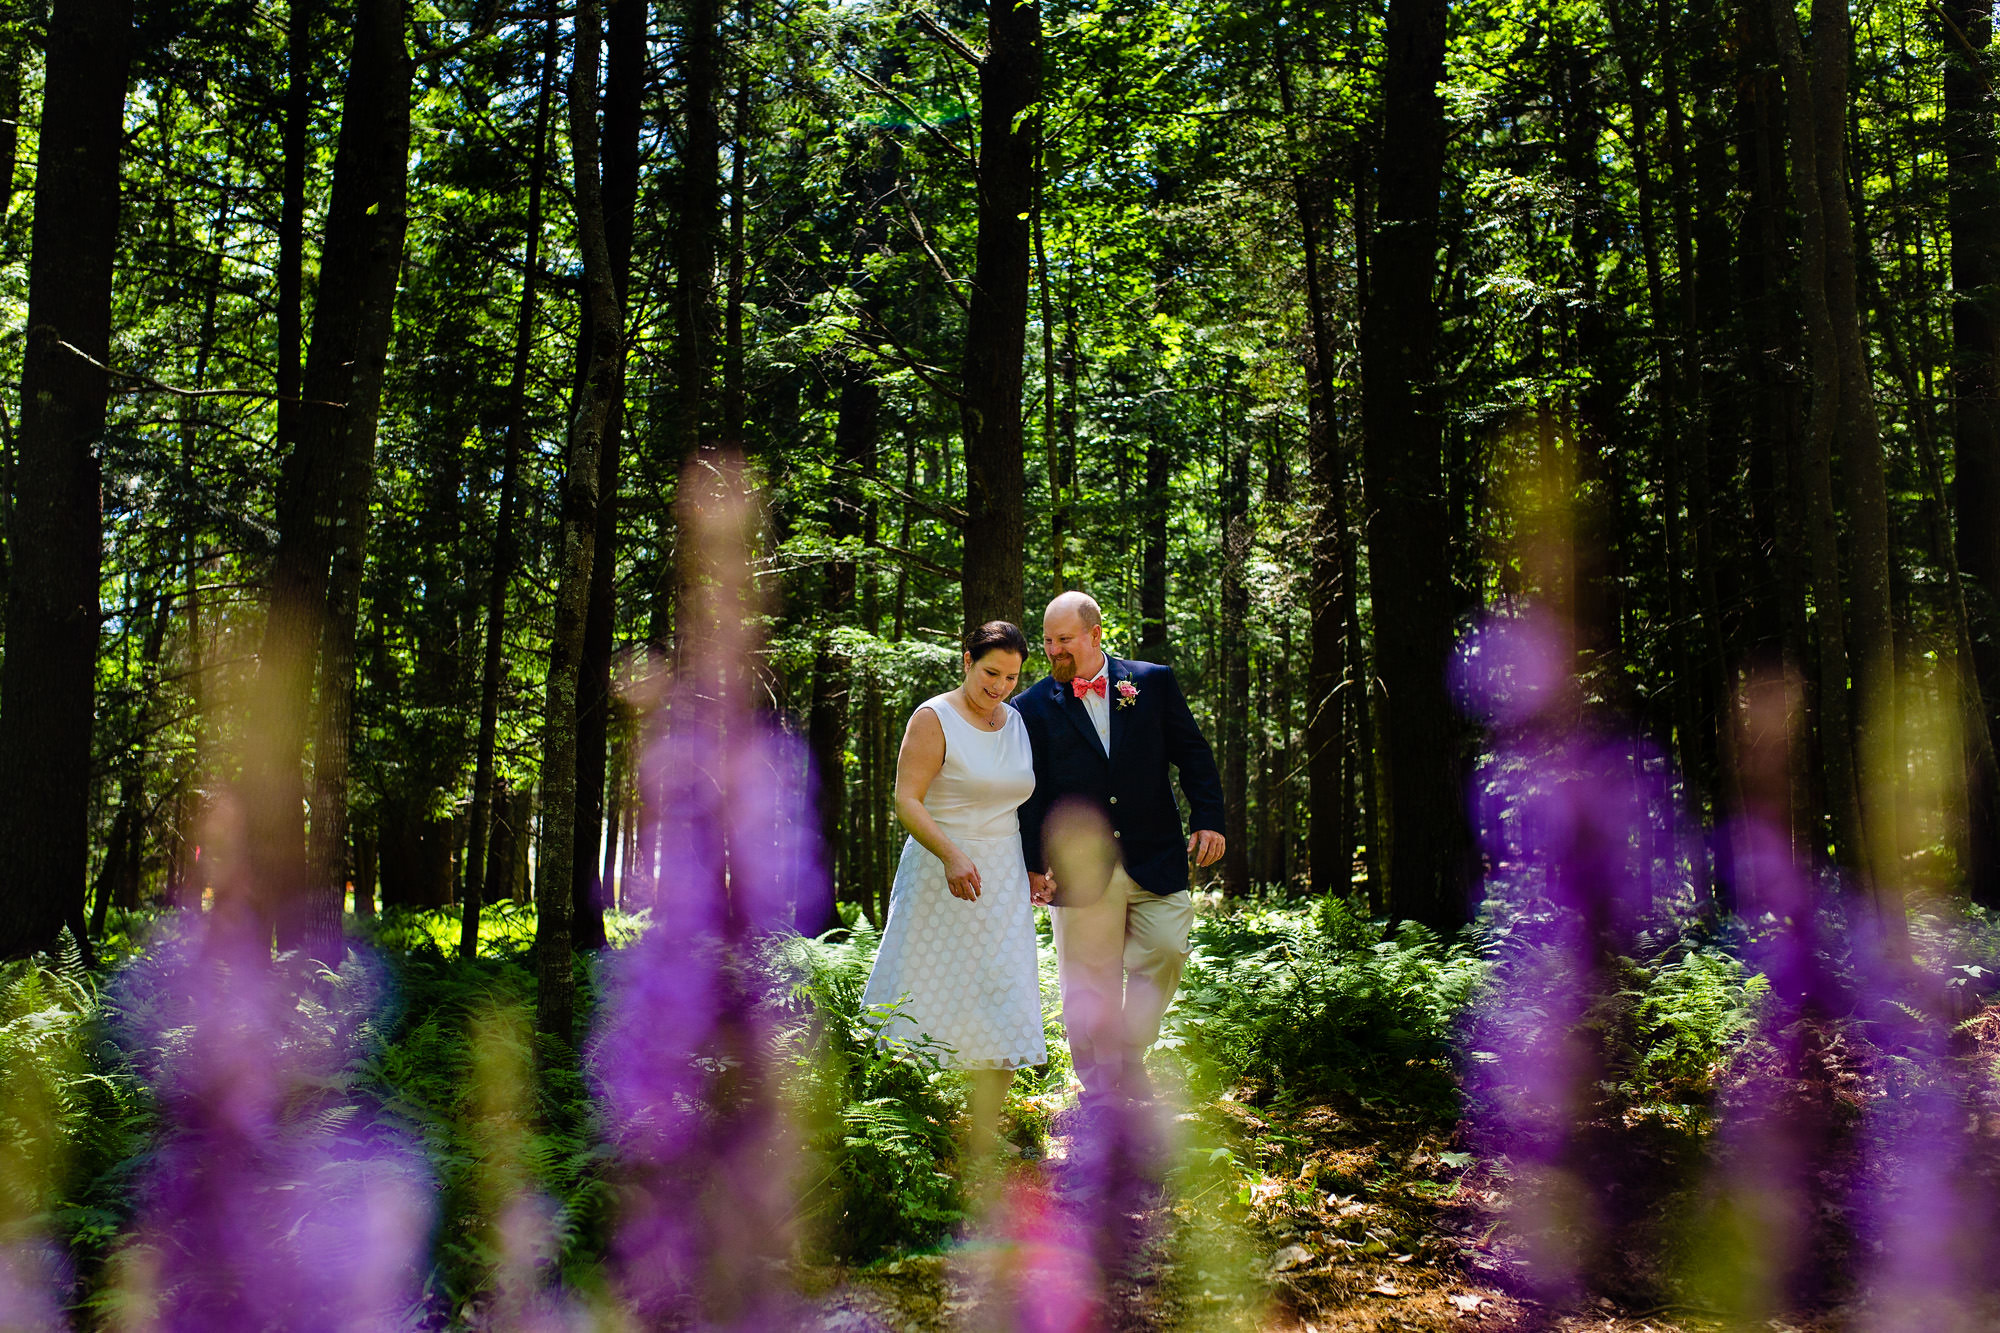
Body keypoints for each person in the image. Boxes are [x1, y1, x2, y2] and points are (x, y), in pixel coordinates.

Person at [1013, 591, 1226, 1108]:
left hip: (1154, 851)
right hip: (1078, 867)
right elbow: (1030, 792)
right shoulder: (1033, 706)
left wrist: (1209, 818)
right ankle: (1101, 1088)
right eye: (1047, 642)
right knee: (1088, 980)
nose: (1054, 651)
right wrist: (1031, 864)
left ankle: (1131, 1050)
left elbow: (1192, 752)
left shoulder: (1151, 682)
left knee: (1168, 946)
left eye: (1063, 640)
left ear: (1095, 634)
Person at [860, 621, 1047, 1158]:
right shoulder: (933, 717)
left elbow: (1024, 799)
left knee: (1004, 990)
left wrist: (1034, 865)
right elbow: (908, 801)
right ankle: (898, 1130)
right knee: (923, 989)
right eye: (991, 672)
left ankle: (983, 1137)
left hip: (1003, 874)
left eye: (1011, 676)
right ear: (967, 660)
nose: (1000, 685)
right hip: (940, 870)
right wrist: (950, 854)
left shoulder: (1015, 722)